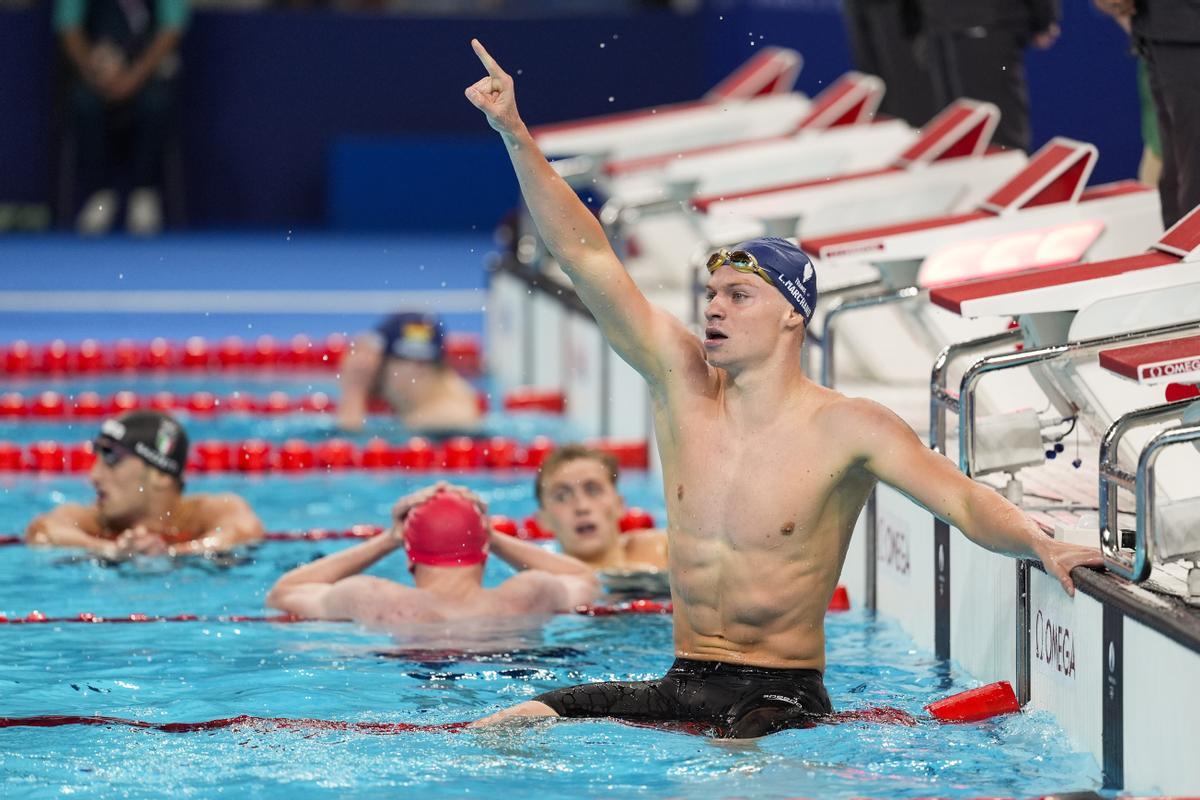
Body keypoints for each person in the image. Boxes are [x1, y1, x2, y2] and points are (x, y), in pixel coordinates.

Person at [463, 39, 1103, 738]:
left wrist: (1040, 544)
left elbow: (961, 499)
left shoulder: (849, 427)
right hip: (682, 679)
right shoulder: (681, 385)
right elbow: (587, 257)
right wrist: (515, 136)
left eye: (739, 296)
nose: (713, 308)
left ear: (793, 315)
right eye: (711, 294)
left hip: (781, 695)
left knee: (737, 767)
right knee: (508, 727)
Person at [265, 483, 600, 628]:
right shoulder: (530, 592)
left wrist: (386, 539)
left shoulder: (369, 598)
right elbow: (586, 579)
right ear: (483, 551)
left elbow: (283, 594)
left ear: (410, 555)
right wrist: (495, 536)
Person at [26, 410, 263, 558]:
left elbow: (244, 532)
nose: (93, 476)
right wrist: (110, 550)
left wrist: (170, 554)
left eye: (112, 458)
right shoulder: (94, 522)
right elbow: (42, 530)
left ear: (160, 474)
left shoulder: (206, 513)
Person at [55, 0, 190, 235]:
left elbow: (172, 27)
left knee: (156, 103)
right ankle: (99, 194)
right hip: (96, 73)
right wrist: (97, 73)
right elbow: (68, 26)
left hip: (146, 73)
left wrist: (133, 77)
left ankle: (144, 191)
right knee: (83, 102)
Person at [1094, 0, 1200, 229]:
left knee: (1182, 163)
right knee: (1187, 164)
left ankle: (1184, 252)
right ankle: (1188, 253)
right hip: (1177, 31)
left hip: (1167, 30)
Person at [916, 0, 1060, 152]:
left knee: (964, 137)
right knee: (996, 142)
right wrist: (1044, 18)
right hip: (984, 21)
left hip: (942, 22)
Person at [535, 444, 668, 594]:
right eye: (562, 496)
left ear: (619, 505)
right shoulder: (544, 582)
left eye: (593, 490)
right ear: (543, 520)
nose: (581, 507)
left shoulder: (662, 548)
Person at [335, 311, 482, 434]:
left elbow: (352, 443)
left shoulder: (443, 421)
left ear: (417, 365)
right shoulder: (448, 395)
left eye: (383, 361)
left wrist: (354, 393)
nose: (374, 371)